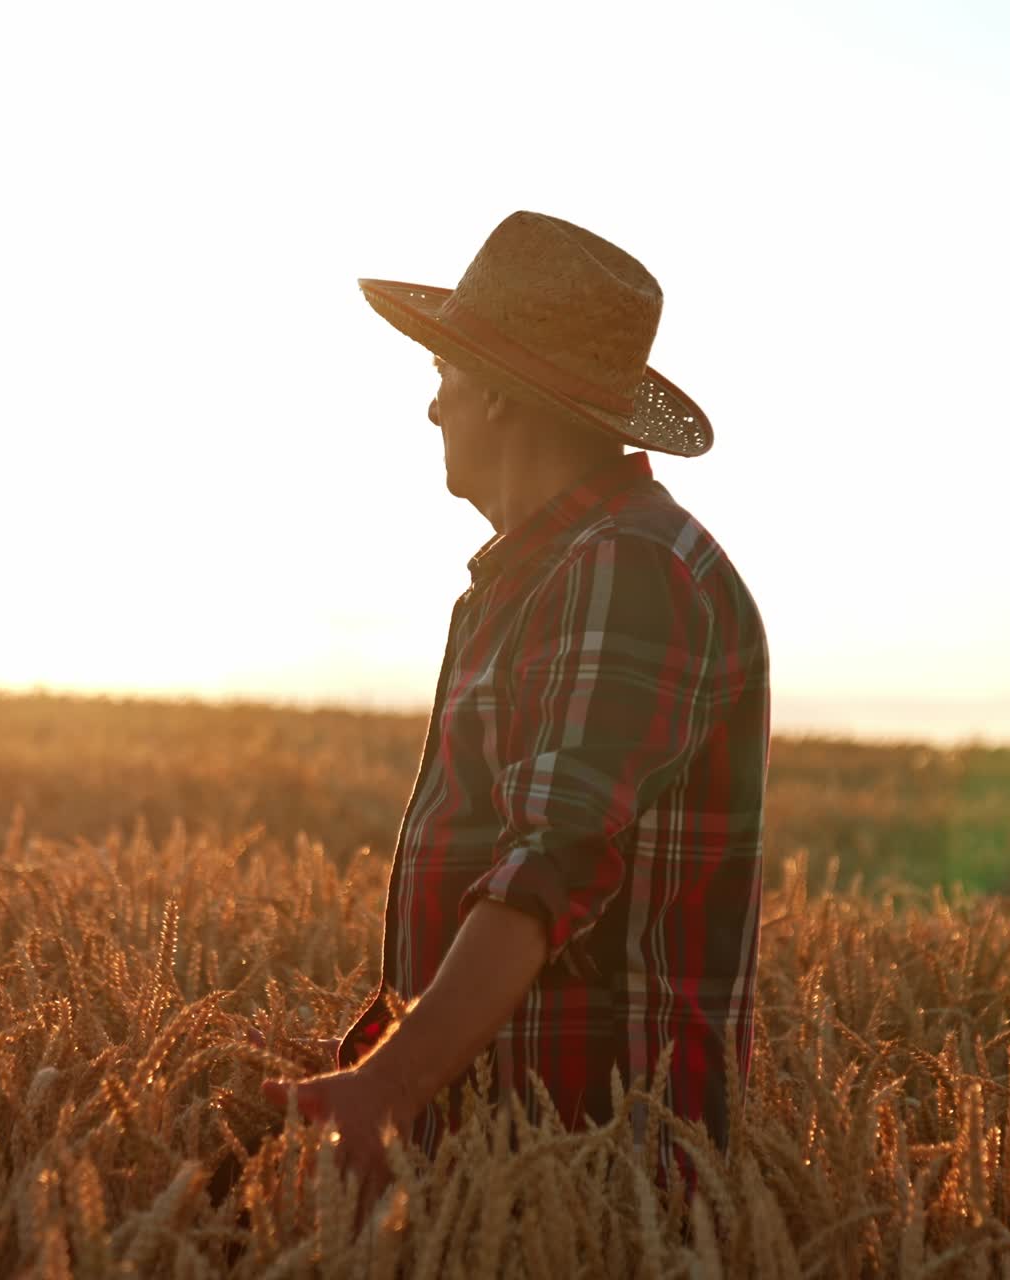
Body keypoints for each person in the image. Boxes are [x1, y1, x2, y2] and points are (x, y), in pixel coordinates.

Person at [262, 210, 771, 1204]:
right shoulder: (550, 574)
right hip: (515, 1158)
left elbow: (552, 861)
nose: (431, 408)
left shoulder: (624, 567)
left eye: (443, 376)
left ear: (496, 394)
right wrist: (361, 1053)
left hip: (594, 1172)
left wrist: (387, 1085)